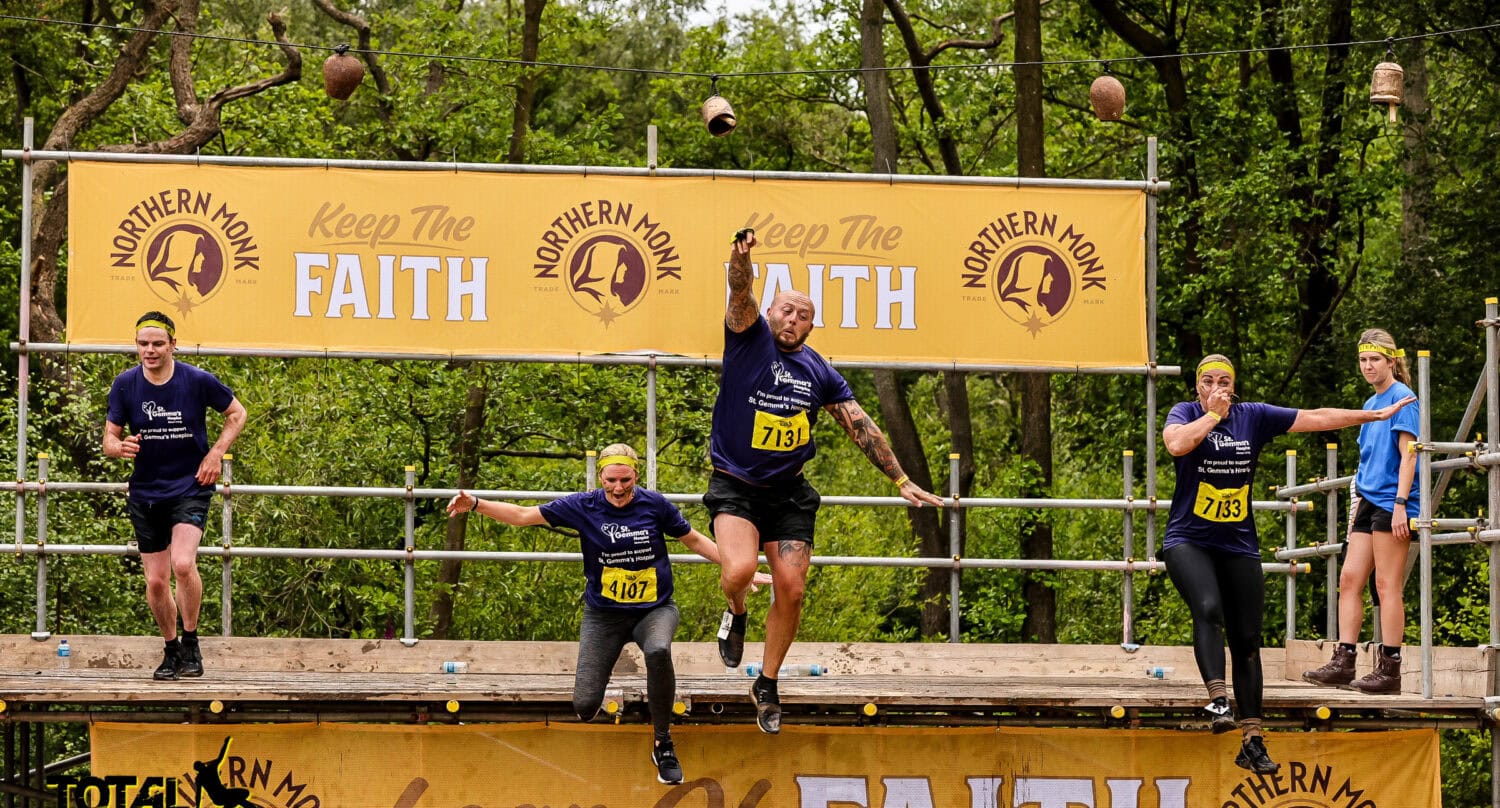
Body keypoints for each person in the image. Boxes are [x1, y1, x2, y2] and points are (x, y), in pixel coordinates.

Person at [708, 229, 944, 735]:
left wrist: (900, 478)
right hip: (736, 485)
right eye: (786, 310)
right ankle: (736, 610)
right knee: (739, 570)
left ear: (813, 326)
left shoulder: (818, 371)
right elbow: (740, 291)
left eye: (803, 314)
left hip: (788, 491)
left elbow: (860, 423)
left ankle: (767, 684)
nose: (792, 319)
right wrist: (739, 259)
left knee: (792, 590)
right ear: (770, 314)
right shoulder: (748, 339)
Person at [447, 444, 768, 786]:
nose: (618, 488)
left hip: (655, 609)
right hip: (605, 615)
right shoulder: (582, 506)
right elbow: (524, 516)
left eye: (625, 480)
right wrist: (477, 504)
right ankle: (605, 680)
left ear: (636, 476)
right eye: (611, 480)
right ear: (600, 476)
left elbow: (694, 541)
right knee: (585, 706)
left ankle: (663, 743)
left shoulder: (654, 505)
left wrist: (739, 569)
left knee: (658, 650)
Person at [1161, 353, 1414, 774]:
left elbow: (1318, 416)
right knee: (1208, 608)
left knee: (1248, 640)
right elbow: (1176, 444)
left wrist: (1376, 416)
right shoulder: (1186, 413)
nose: (1218, 388)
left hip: (1237, 542)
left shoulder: (1253, 417)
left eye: (1225, 381)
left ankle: (1253, 740)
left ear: (1235, 386)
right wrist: (1210, 416)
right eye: (1209, 381)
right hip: (1188, 540)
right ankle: (1219, 701)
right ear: (1198, 387)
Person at [104, 312, 246, 681]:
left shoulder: (196, 380)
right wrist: (120, 448)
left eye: (157, 344)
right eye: (143, 344)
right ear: (136, 347)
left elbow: (237, 413)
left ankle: (192, 640)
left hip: (190, 485)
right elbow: (108, 439)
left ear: (172, 345)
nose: (149, 351)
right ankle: (171, 650)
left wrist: (215, 454)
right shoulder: (125, 385)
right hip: (146, 490)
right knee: (155, 581)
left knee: (183, 564)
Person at [1303, 329, 1421, 693]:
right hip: (1368, 500)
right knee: (1349, 579)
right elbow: (1366, 461)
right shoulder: (1371, 404)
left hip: (1392, 500)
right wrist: (1357, 503)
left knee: (1387, 585)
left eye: (1375, 359)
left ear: (1391, 361)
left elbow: (1409, 456)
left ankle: (1390, 668)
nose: (1368, 366)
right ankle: (1345, 659)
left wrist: (1402, 505)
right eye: (1363, 360)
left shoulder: (1403, 399)